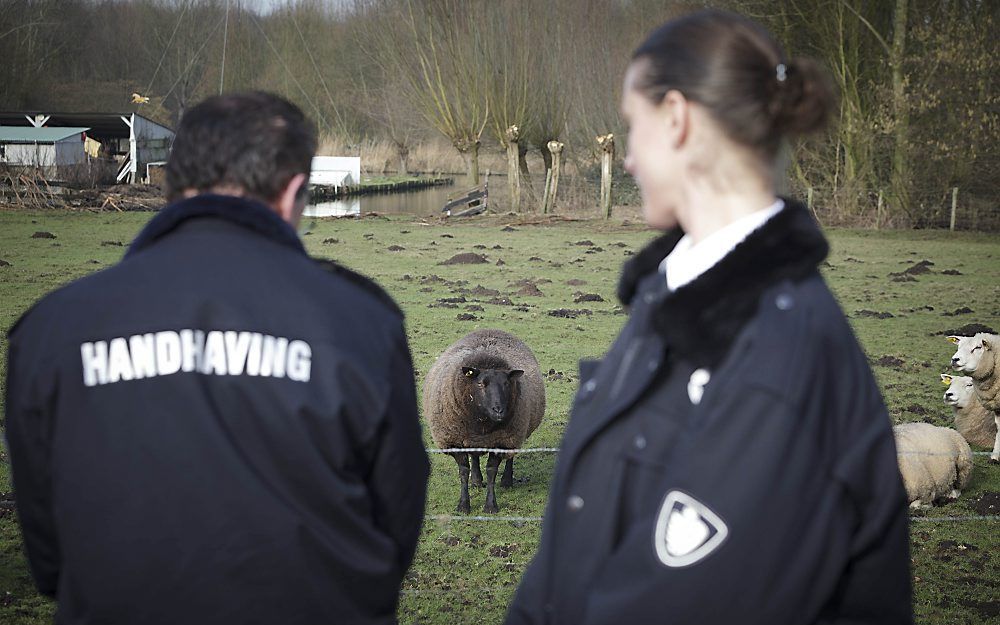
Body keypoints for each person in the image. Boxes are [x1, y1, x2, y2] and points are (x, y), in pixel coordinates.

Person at [506, 10, 911, 625]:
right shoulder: (672, 298)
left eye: (630, 128)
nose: (628, 160)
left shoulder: (779, 357)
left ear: (676, 118)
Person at [5, 92, 429, 625]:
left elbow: (46, 560)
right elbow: (396, 527)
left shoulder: (52, 330)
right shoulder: (360, 323)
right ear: (294, 192)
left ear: (172, 185)